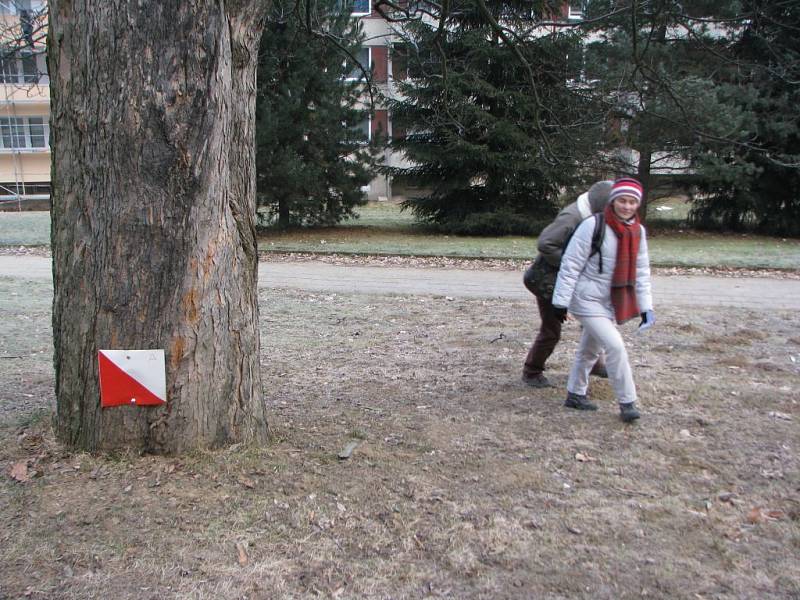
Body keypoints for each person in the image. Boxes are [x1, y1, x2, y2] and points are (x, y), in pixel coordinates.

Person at [551, 177, 655, 422]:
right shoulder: (592, 225)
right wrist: (560, 301)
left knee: (589, 349)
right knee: (615, 346)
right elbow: (570, 264)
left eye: (632, 202)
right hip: (586, 299)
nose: (626, 206)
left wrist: (646, 307)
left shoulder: (638, 232)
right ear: (613, 200)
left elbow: (641, 272)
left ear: (637, 205)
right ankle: (627, 402)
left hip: (611, 301)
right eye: (622, 200)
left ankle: (575, 395)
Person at [521, 180, 613, 388]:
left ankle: (596, 364)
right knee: (552, 330)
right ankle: (532, 371)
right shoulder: (572, 217)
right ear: (601, 205)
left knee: (591, 322)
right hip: (547, 280)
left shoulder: (596, 217)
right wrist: (573, 263)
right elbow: (546, 243)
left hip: (570, 279)